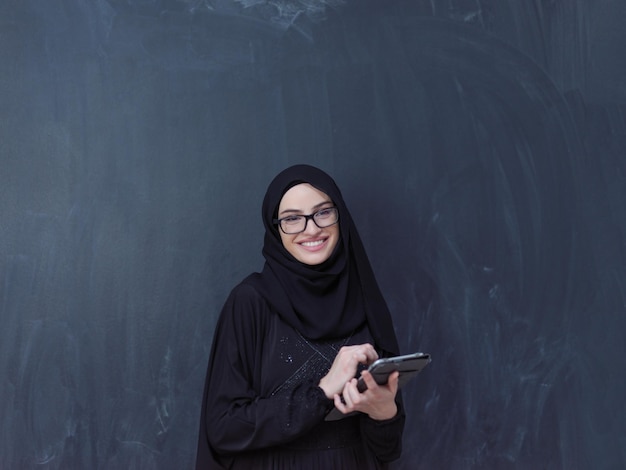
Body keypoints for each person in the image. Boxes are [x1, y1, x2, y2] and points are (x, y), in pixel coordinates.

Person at [195, 164, 405, 469]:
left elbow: (387, 451)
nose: (311, 229)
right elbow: (224, 428)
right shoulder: (251, 301)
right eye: (292, 219)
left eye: (323, 212)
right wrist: (322, 391)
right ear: (275, 228)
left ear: (339, 216)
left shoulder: (364, 299)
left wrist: (384, 413)